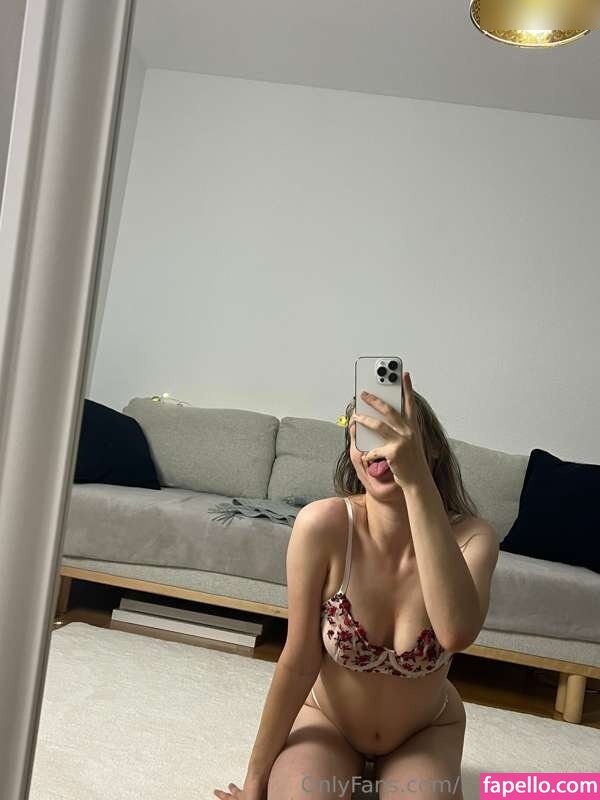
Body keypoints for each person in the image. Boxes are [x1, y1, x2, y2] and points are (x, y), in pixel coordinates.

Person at [214, 371, 499, 800]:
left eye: (395, 435)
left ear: (432, 448)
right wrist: (256, 780)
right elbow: (298, 661)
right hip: (328, 723)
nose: (378, 449)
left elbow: (456, 633)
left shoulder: (473, 538)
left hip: (425, 731)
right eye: (364, 435)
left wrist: (416, 480)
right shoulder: (324, 525)